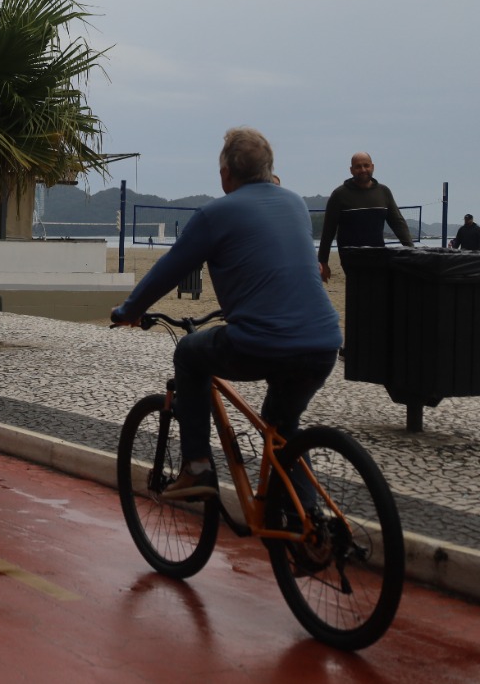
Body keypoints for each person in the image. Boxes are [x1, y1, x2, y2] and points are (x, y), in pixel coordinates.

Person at [110, 128, 341, 500]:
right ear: (269, 170)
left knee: (189, 353)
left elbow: (168, 271)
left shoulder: (215, 213)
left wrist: (128, 311)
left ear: (225, 174)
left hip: (261, 343)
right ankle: (307, 526)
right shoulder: (295, 203)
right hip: (323, 343)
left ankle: (197, 466)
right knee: (283, 427)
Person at [317, 151, 414, 283]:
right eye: (358, 166)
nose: (363, 170)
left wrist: (411, 251)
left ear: (372, 167)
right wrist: (323, 261)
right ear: (351, 170)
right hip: (351, 259)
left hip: (378, 256)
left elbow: (398, 223)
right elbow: (328, 231)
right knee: (358, 298)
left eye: (366, 165)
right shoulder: (339, 195)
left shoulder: (383, 192)